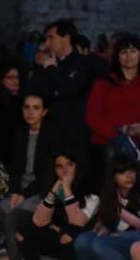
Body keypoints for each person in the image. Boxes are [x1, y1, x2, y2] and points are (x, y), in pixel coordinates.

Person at [0, 92, 61, 260]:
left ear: (44, 112)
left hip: (40, 192)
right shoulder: (21, 133)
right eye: (27, 107)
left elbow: (47, 174)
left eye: (36, 108)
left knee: (10, 221)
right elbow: (15, 167)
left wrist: (23, 194)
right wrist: (15, 191)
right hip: (20, 190)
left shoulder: (52, 134)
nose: (30, 112)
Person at [84, 34, 140, 187]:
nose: (128, 56)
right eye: (123, 52)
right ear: (117, 56)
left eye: (133, 51)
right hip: (106, 142)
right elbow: (92, 117)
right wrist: (119, 133)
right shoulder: (103, 81)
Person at [10, 153, 98, 260]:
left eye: (69, 165)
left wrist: (67, 189)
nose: (64, 170)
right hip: (58, 241)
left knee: (68, 233)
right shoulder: (56, 189)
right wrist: (52, 193)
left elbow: (77, 222)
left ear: (78, 167)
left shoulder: (91, 194)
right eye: (59, 166)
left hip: (78, 243)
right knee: (22, 232)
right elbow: (38, 221)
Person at [26, 19, 94, 166]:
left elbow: (71, 89)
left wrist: (52, 70)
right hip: (49, 132)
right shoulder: (45, 65)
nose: (47, 43)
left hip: (75, 134)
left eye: (51, 37)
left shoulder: (82, 63)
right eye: (46, 39)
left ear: (66, 38)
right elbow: (37, 91)